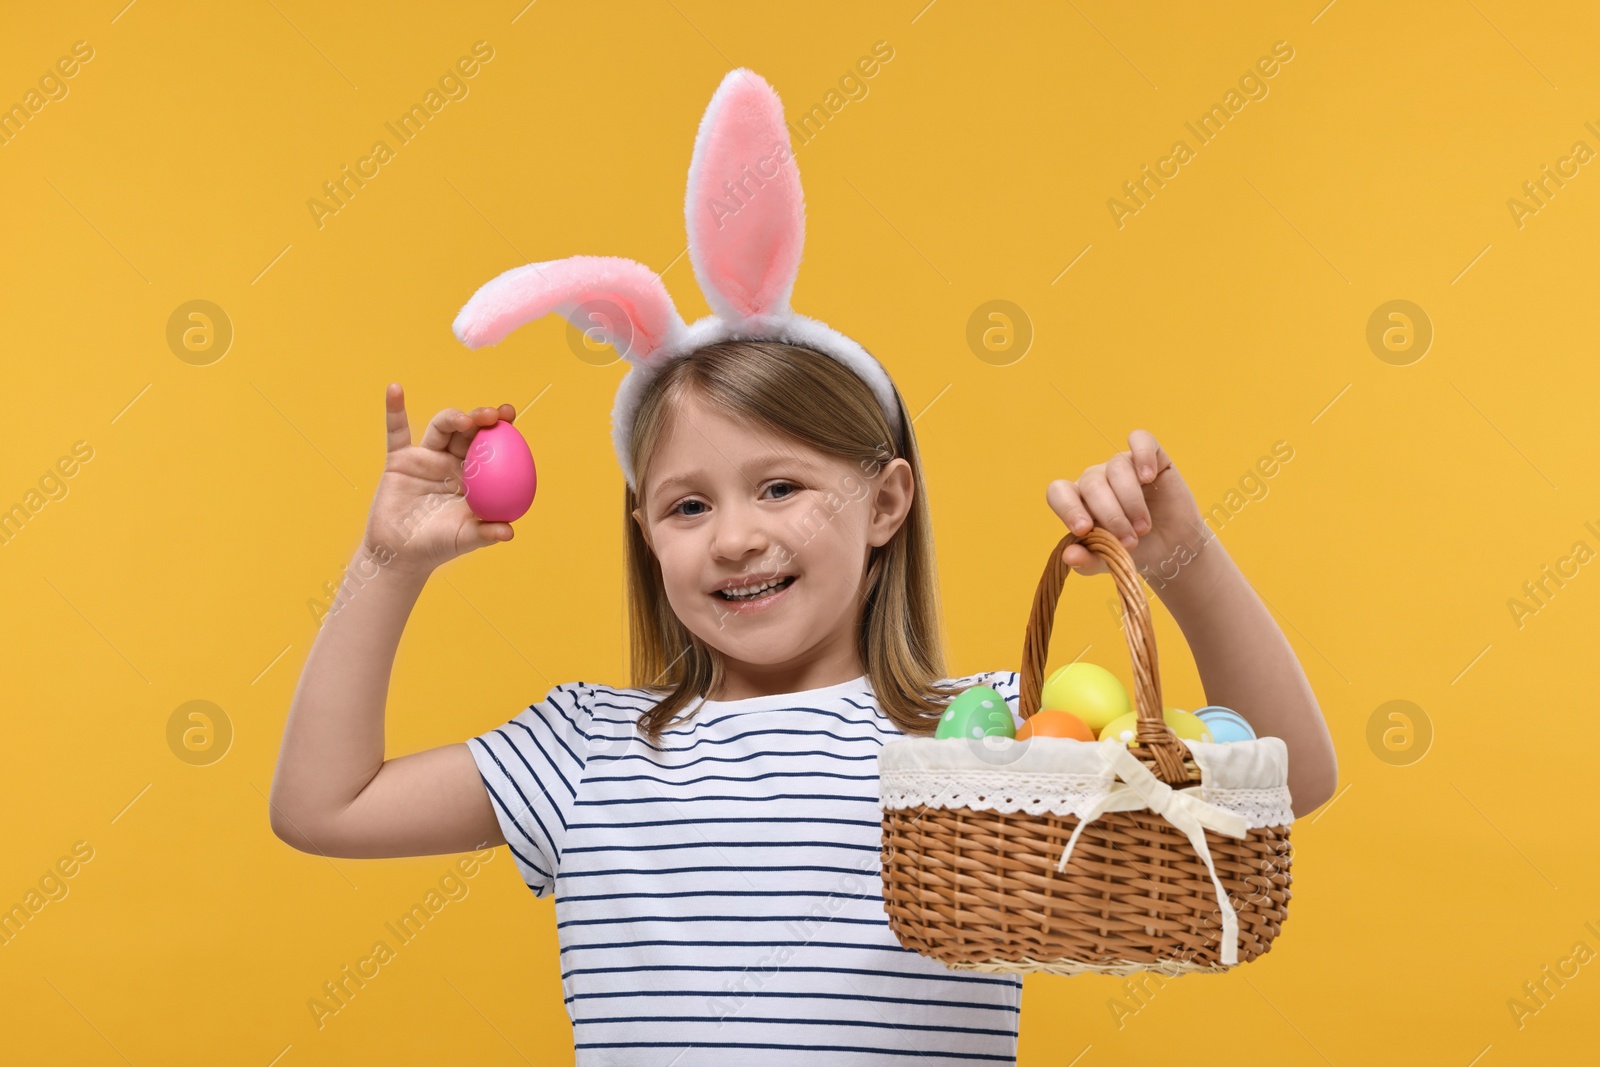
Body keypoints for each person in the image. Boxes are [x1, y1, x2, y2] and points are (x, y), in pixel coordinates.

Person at [270, 69, 1337, 1066]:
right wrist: (386, 565)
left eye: (779, 487)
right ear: (647, 533)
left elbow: (1286, 781)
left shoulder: (984, 737)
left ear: (884, 502)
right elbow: (326, 806)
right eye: (688, 505)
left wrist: (1184, 560)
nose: (733, 535)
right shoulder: (587, 747)